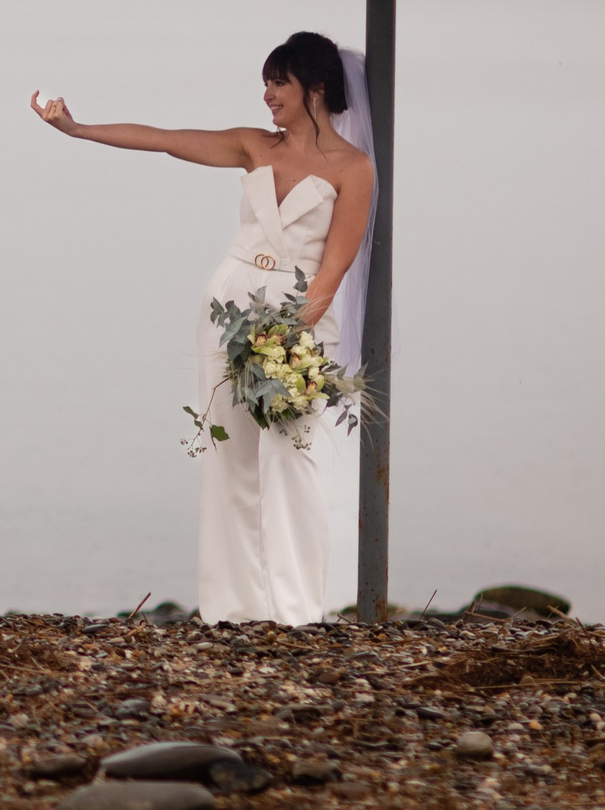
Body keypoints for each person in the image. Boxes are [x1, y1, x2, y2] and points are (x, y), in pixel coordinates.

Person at [30, 31, 373, 625]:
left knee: (292, 456)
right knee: (230, 456)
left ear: (315, 87)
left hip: (298, 320)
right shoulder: (253, 146)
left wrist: (289, 338)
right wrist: (79, 129)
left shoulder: (355, 168)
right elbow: (165, 141)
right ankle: (233, 610)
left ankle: (298, 613)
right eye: (265, 83)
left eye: (278, 82)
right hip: (230, 303)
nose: (266, 94)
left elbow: (334, 269)